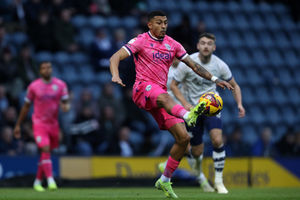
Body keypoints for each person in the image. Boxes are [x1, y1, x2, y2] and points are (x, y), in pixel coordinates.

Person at [109, 11, 233, 198]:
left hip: (160, 97)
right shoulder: (140, 40)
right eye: (159, 22)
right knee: (166, 97)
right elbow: (114, 58)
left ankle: (164, 180)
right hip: (143, 89)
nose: (163, 26)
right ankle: (187, 115)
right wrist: (115, 74)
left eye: (165, 23)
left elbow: (195, 66)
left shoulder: (173, 44)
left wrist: (215, 79)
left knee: (183, 138)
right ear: (150, 25)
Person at [164, 32, 245, 194]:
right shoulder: (187, 63)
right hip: (193, 110)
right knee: (196, 151)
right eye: (203, 43)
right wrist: (185, 103)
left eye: (209, 43)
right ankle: (200, 175)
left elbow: (235, 85)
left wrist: (240, 104)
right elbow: (173, 85)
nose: (206, 46)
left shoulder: (220, 65)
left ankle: (219, 181)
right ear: (198, 46)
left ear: (214, 47)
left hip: (212, 109)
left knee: (217, 139)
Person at [14, 61, 70, 192]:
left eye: (49, 67)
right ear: (40, 71)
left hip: (53, 124)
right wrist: (18, 125)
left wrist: (66, 107)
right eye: (44, 68)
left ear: (51, 69)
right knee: (45, 149)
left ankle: (37, 182)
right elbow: (26, 107)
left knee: (46, 154)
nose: (47, 70)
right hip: (39, 123)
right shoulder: (34, 86)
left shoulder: (60, 85)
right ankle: (51, 181)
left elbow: (66, 104)